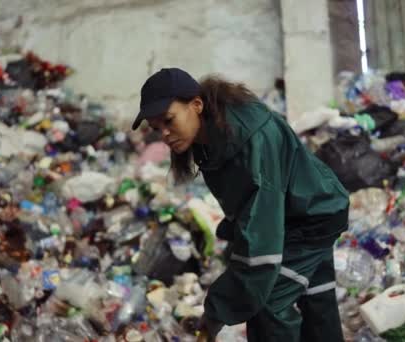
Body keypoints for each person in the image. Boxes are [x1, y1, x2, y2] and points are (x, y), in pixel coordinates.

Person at [131, 68, 349, 342]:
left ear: (196, 105)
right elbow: (247, 206)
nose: (164, 133)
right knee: (317, 299)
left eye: (169, 120)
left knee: (267, 305)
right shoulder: (210, 137)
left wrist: (215, 313)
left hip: (310, 218)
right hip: (304, 211)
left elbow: (261, 249)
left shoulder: (249, 139)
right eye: (156, 128)